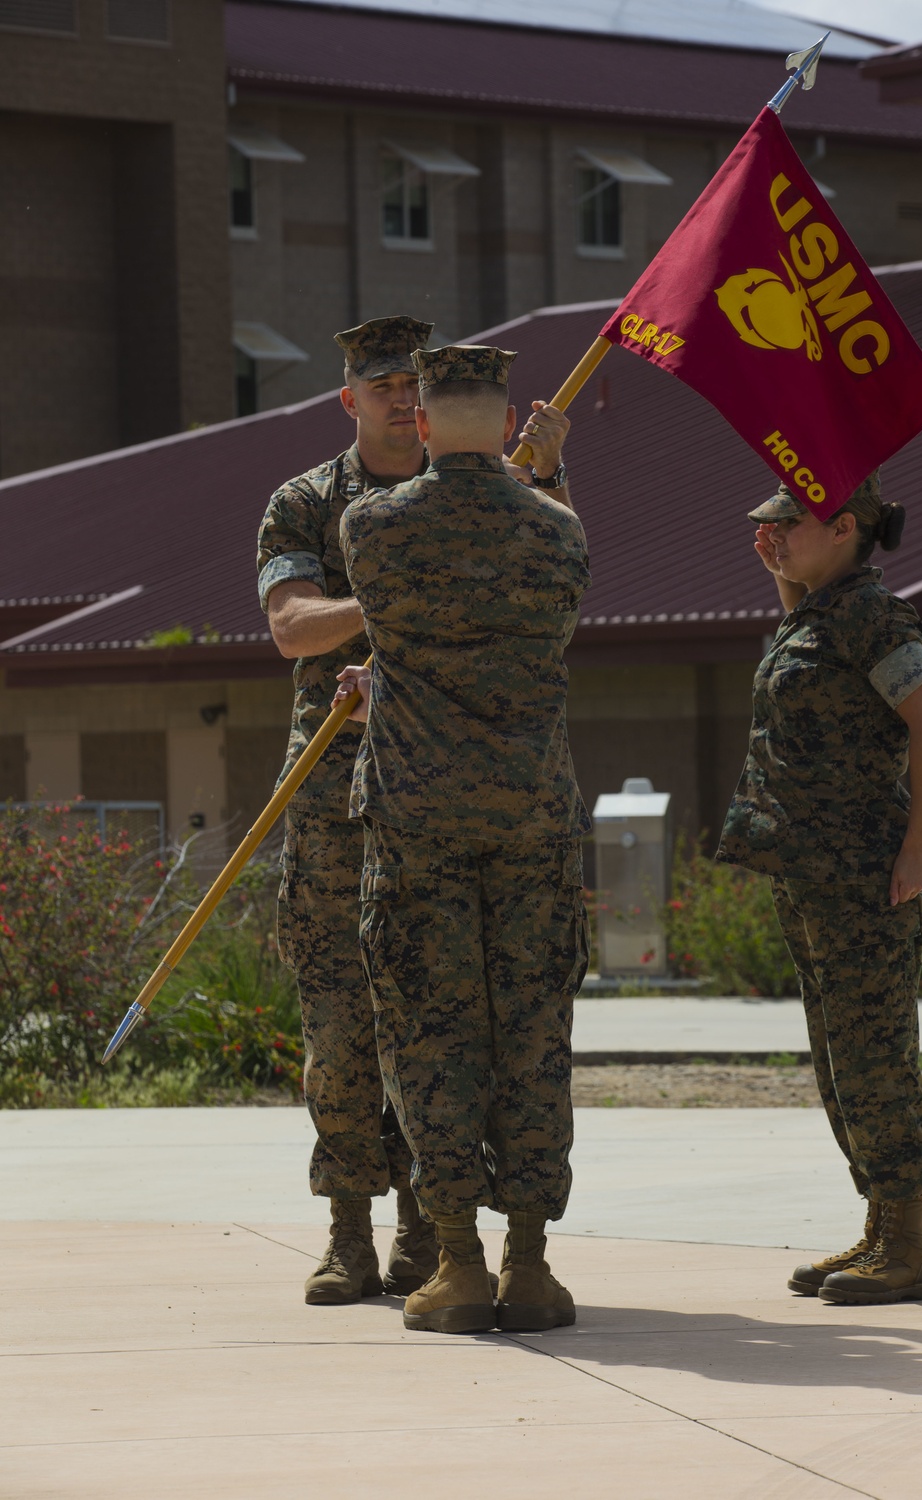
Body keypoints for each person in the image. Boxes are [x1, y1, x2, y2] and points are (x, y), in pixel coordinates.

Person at [257, 317, 573, 1306]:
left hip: (450, 793)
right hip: (338, 793)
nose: (401, 399)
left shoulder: (503, 490)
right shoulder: (311, 503)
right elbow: (289, 626)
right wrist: (398, 601)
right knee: (346, 1022)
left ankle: (428, 1235)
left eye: (413, 385)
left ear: (436, 407)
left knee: (453, 1013)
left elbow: (557, 590)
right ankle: (350, 1228)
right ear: (350, 400)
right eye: (382, 385)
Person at [336, 344, 591, 1336]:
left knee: (432, 1037)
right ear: (512, 422)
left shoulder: (370, 526)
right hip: (530, 817)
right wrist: (547, 474)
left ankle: (457, 1264)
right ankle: (530, 1265)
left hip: (418, 823)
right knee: (534, 1037)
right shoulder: (560, 534)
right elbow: (555, 554)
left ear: (426, 424)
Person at [717, 474, 922, 1306]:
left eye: (788, 524)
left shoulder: (872, 615)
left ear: (844, 526)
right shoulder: (818, 613)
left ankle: (909, 1245)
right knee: (838, 1055)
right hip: (809, 868)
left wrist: (917, 846)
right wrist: (784, 572)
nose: (773, 534)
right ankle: (880, 1228)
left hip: (863, 872)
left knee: (874, 1052)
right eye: (769, 525)